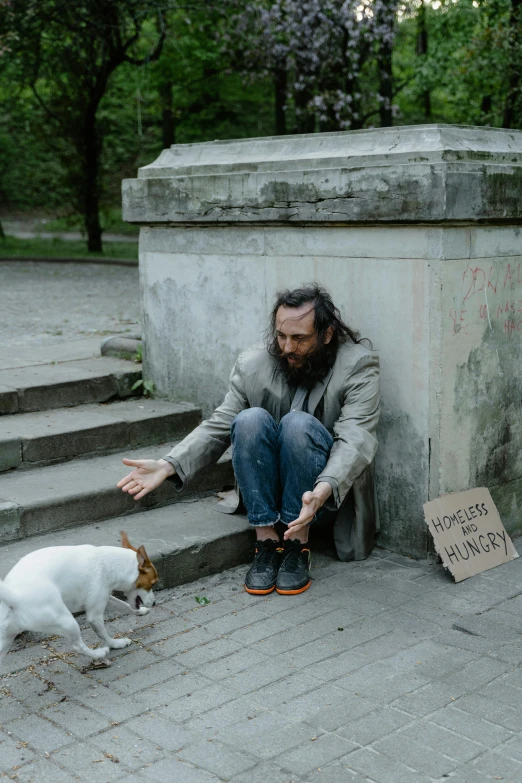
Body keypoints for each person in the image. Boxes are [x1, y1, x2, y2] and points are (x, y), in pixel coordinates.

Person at [117, 283, 380, 596]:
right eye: (281, 336)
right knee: (248, 419)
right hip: (266, 494)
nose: (287, 348)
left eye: (299, 339)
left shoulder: (359, 365)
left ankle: (298, 545)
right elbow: (219, 424)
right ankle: (266, 540)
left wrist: (321, 492)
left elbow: (355, 440)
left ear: (326, 335)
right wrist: (168, 464)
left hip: (323, 497)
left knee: (297, 425)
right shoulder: (254, 364)